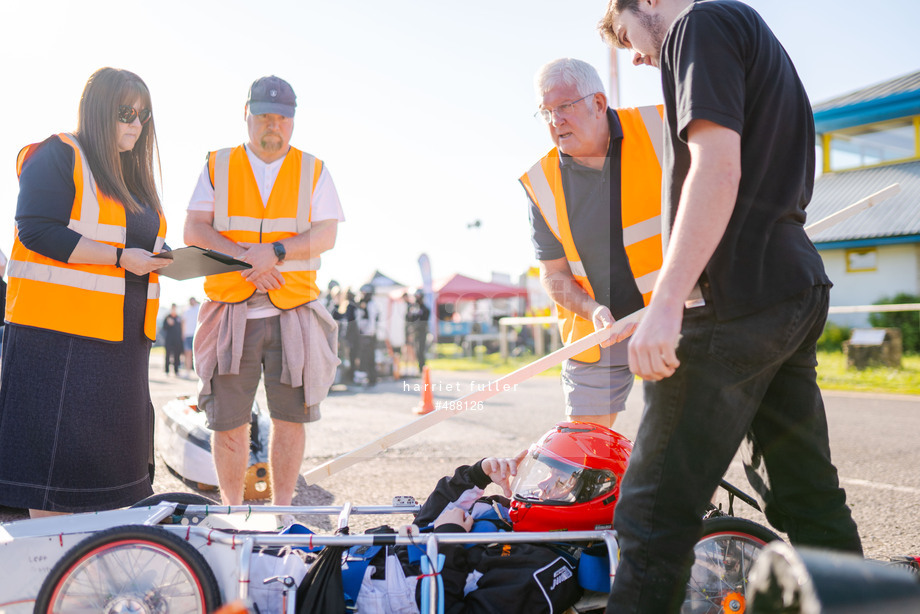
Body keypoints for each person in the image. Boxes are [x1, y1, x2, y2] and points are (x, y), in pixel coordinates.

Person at [597, 1, 863, 610]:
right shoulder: (754, 35)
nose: (636, 55)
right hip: (788, 289)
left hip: (735, 301)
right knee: (807, 498)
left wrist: (667, 302)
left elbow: (717, 166)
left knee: (652, 517)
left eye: (627, 34)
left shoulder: (701, 25)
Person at [0, 67, 169, 517]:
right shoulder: (58, 153)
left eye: (143, 116)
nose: (136, 123)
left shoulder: (132, 178)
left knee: (108, 477)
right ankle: (51, 572)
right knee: (54, 476)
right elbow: (35, 229)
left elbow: (130, 241)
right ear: (97, 111)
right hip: (58, 340)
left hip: (121, 341)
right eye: (125, 112)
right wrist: (119, 257)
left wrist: (164, 257)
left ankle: (88, 571)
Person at [184, 75, 342, 507]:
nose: (274, 124)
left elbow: (327, 234)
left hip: (293, 310)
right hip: (231, 312)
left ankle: (282, 510)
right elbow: (194, 228)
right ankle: (234, 512)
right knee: (228, 422)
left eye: (283, 117)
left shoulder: (313, 169)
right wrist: (249, 258)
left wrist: (273, 252)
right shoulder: (218, 164)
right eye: (265, 115)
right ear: (247, 115)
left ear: (293, 121)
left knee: (291, 419)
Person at [519, 58, 663, 429]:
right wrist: (592, 310)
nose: (555, 121)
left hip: (670, 313)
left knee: (681, 449)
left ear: (598, 104)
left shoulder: (662, 129)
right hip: (597, 331)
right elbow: (552, 275)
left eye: (564, 107)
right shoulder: (542, 183)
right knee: (583, 448)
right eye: (546, 112)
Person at [355, 284, 379, 386]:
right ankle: (367, 377)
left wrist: (368, 333)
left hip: (369, 335)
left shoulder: (372, 304)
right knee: (364, 357)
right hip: (363, 334)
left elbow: (372, 321)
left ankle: (370, 378)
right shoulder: (362, 304)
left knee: (368, 357)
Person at [405, 289, 430, 374]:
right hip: (414, 332)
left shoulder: (424, 308)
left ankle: (422, 367)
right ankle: (418, 367)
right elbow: (408, 318)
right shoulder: (413, 307)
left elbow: (425, 318)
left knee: (421, 350)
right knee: (415, 351)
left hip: (422, 332)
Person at [161, 303, 184, 375]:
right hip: (168, 339)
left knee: (177, 355)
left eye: (175, 308)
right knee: (167, 355)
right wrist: (168, 324)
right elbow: (164, 328)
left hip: (177, 340)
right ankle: (166, 370)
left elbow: (181, 328)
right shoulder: (167, 317)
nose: (173, 310)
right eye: (172, 308)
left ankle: (176, 370)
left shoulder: (178, 317)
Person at [182, 296, 199, 373]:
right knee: (187, 354)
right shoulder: (186, 310)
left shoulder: (199, 308)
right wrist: (183, 334)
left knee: (198, 354)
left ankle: (199, 372)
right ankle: (187, 371)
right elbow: (183, 323)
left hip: (197, 334)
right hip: (188, 335)